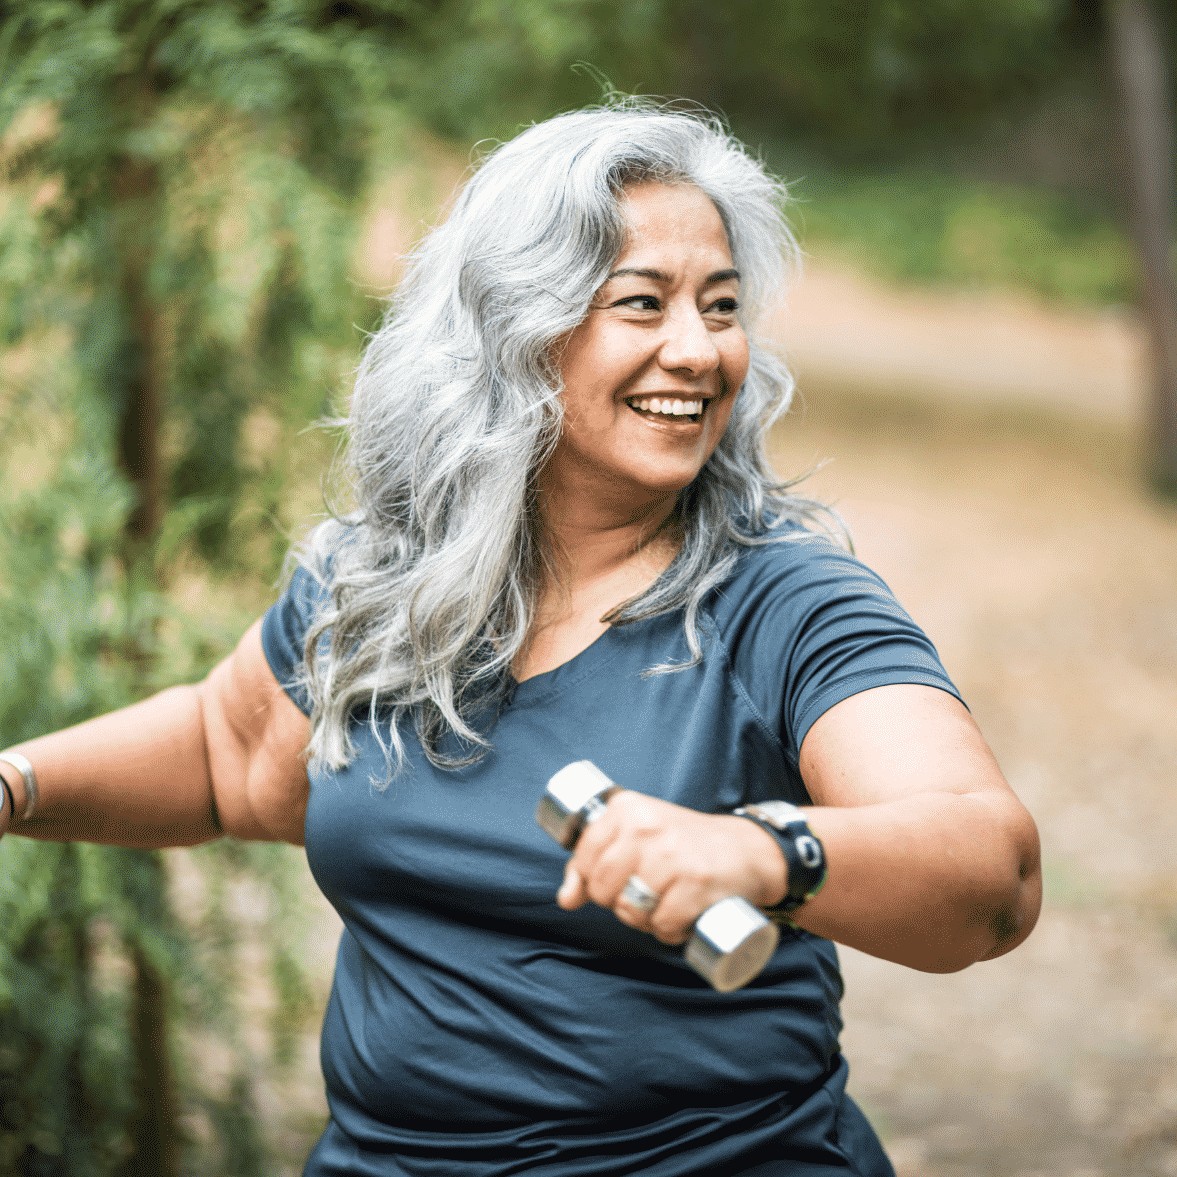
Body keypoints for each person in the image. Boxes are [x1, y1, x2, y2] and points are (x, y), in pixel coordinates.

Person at [0, 101, 1041, 1175]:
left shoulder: (785, 602)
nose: (697, 350)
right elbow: (230, 758)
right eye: (642, 304)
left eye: (720, 307)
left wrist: (764, 849)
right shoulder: (381, 578)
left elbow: (988, 872)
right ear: (515, 332)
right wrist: (15, 785)